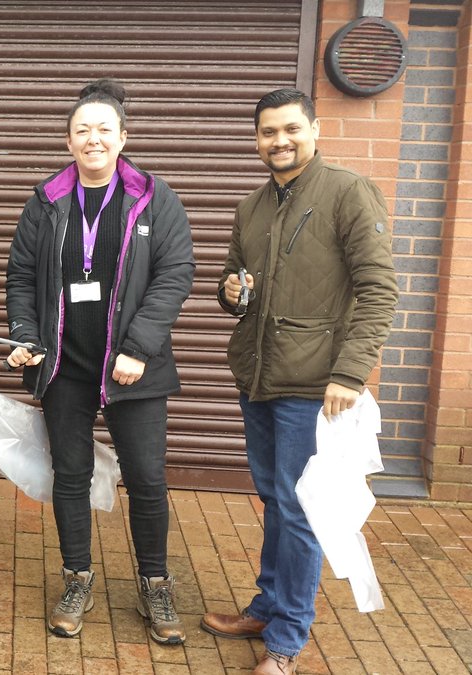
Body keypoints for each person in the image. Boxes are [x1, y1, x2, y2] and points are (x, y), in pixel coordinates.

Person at [204, 88, 397, 674]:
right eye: (267, 132)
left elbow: (379, 289)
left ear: (314, 128)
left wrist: (349, 371)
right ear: (256, 139)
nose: (279, 141)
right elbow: (233, 285)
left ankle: (286, 640)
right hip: (260, 376)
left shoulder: (347, 192)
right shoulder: (252, 206)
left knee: (300, 509)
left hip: (315, 383)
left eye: (290, 129)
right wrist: (230, 293)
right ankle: (268, 605)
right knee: (276, 499)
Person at [4, 78, 195, 645]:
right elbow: (19, 275)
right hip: (65, 366)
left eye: (103, 130)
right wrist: (25, 333)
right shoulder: (46, 202)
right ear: (68, 142)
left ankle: (155, 583)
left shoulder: (154, 199)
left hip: (134, 368)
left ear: (122, 137)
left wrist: (138, 346)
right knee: (71, 475)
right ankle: (77, 576)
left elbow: (174, 273)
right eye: (82, 130)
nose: (93, 139)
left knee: (147, 479)